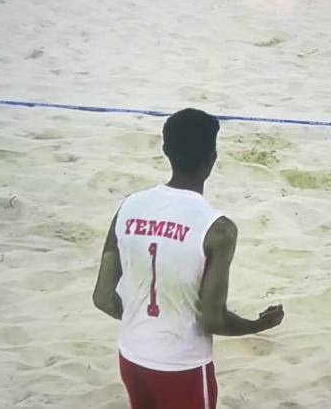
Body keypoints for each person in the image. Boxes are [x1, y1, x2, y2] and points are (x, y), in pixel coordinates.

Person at [92, 108, 284, 409]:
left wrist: (143, 323)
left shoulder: (128, 207)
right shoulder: (218, 229)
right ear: (212, 159)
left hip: (131, 357)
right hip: (182, 366)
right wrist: (257, 325)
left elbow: (103, 298)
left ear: (166, 150)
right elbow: (212, 319)